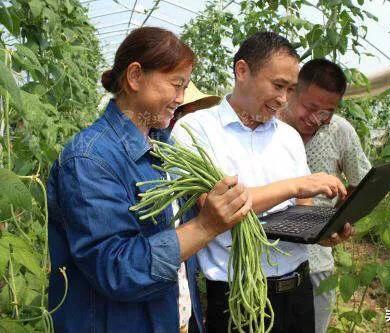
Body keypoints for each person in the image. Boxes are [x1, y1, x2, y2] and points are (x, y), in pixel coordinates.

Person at [47, 27, 251, 333]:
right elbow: (115, 269)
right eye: (176, 85)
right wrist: (206, 225)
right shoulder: (89, 159)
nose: (180, 98)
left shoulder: (163, 147)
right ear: (135, 77)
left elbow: (176, 246)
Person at [171, 32, 353, 333]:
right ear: (242, 71)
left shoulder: (288, 137)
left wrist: (322, 234)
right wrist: (297, 184)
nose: (283, 99)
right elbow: (218, 206)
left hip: (297, 291)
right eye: (278, 85)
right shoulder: (195, 130)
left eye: (291, 89)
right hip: (239, 299)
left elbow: (301, 213)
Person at [278, 58, 372, 333]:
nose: (316, 118)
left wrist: (340, 217)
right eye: (310, 107)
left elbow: (361, 181)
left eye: (327, 111)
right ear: (293, 91)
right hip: (269, 262)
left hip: (317, 262)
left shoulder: (340, 131)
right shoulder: (270, 126)